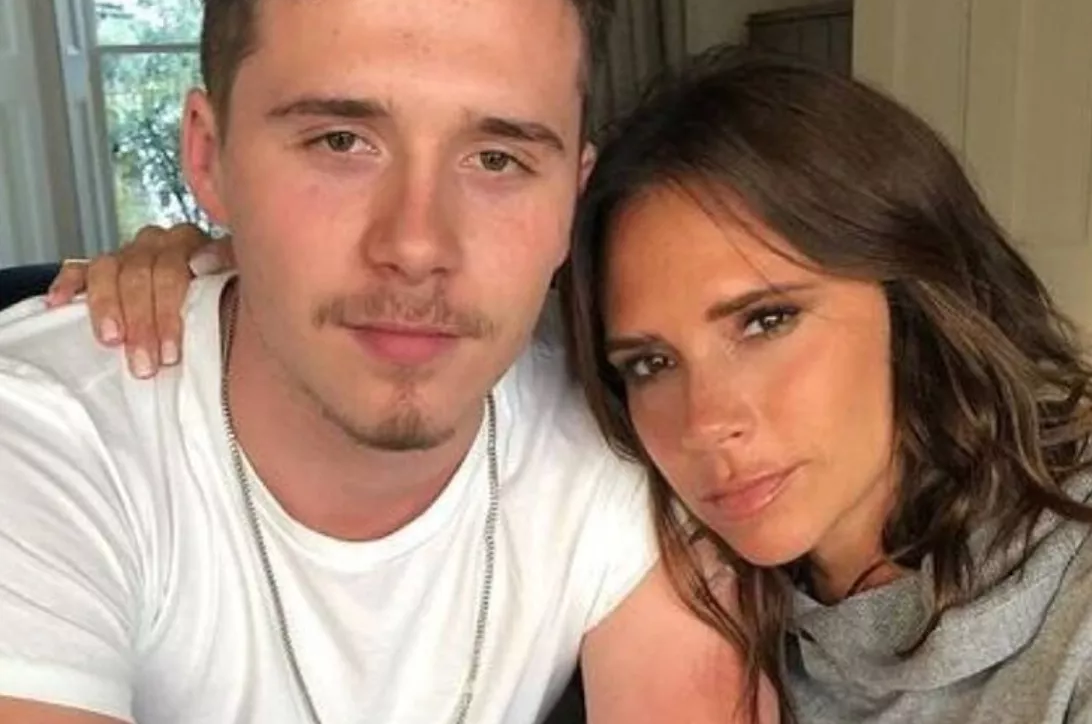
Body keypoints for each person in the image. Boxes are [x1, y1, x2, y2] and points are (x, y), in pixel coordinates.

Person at [69, 47, 1092, 723]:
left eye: (766, 320)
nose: (708, 422)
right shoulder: (692, 555)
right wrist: (229, 272)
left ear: (918, 289)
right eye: (650, 362)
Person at [0, 0, 754, 723]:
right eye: (340, 142)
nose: (417, 246)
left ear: (571, 199)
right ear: (209, 155)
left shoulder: (635, 431)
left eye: (497, 159)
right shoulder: (41, 432)